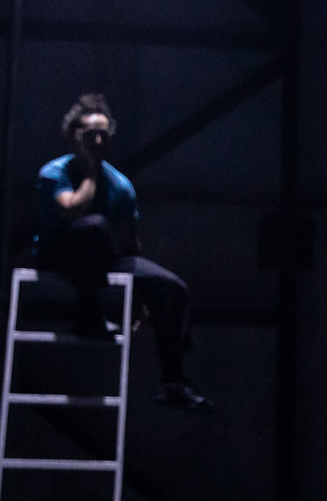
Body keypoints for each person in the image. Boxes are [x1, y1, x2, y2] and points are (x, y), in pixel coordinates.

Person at [34, 93, 212, 412]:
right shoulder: (54, 172)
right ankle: (88, 315)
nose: (98, 141)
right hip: (58, 253)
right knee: (93, 226)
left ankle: (174, 381)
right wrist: (91, 172)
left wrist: (142, 296)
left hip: (101, 254)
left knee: (172, 287)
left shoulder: (120, 185)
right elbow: (72, 210)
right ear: (74, 136)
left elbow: (129, 245)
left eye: (103, 135)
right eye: (90, 135)